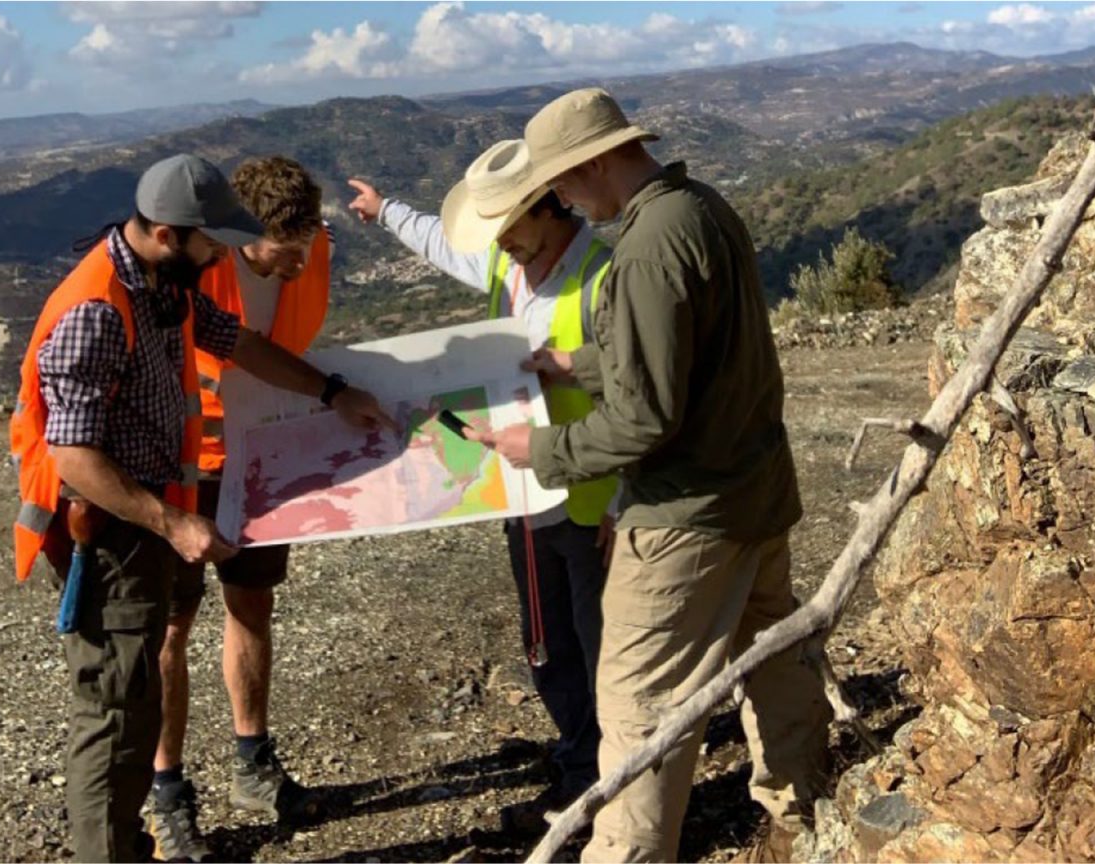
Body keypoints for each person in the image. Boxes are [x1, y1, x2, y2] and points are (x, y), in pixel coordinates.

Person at [466, 89, 832, 863]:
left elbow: (644, 419)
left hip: (681, 517)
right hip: (755, 492)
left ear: (596, 163)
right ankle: (806, 815)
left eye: (563, 183)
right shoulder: (699, 208)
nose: (564, 200)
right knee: (774, 659)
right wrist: (574, 363)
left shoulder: (644, 249)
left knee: (638, 707)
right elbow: (681, 352)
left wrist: (542, 451)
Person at [9, 153, 395, 863]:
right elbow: (74, 457)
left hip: (151, 514)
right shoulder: (97, 309)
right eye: (210, 244)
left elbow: (239, 343)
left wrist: (333, 392)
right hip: (113, 532)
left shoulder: (163, 286)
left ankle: (137, 839)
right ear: (166, 234)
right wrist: (173, 522)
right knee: (115, 716)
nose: (221, 257)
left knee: (132, 708)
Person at [346, 139, 619, 833]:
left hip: (593, 501)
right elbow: (445, 246)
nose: (500, 243)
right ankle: (579, 761)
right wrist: (386, 211)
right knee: (547, 642)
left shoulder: (603, 277)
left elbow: (636, 398)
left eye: (508, 226)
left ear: (547, 206)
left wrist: (624, 503)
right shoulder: (507, 259)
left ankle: (605, 784)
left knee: (601, 645)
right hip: (524, 496)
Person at [144, 155, 345, 861]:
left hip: (262, 451)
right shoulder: (197, 266)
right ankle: (166, 793)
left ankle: (252, 763)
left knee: (253, 604)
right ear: (240, 236)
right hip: (185, 464)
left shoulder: (311, 249)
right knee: (171, 626)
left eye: (308, 246)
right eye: (286, 252)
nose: (301, 265)